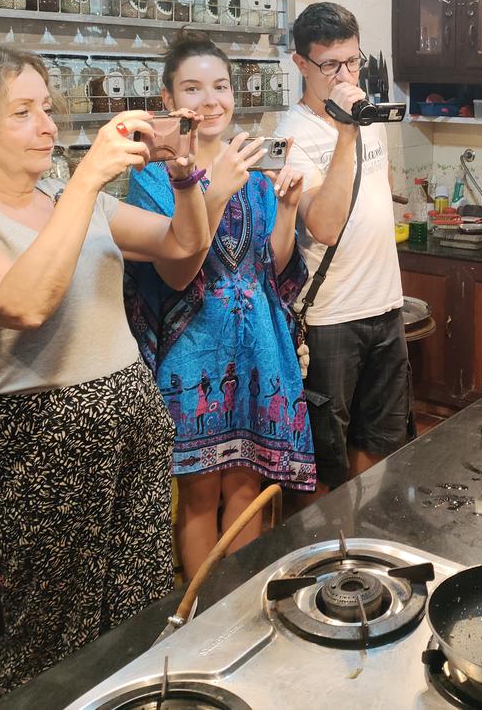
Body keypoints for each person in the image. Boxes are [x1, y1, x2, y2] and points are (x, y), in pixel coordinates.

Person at [0, 43, 212, 694]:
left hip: (132, 419)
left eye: (47, 108)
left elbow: (183, 249)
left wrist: (188, 179)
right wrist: (83, 183)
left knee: (144, 599)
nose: (47, 125)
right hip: (42, 440)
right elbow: (21, 302)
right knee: (55, 624)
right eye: (21, 112)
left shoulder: (72, 201)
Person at [123, 35, 315, 577]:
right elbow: (177, 268)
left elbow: (274, 269)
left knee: (248, 485)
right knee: (200, 496)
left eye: (221, 86)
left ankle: (239, 609)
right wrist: (215, 189)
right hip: (192, 356)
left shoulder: (253, 165)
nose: (210, 101)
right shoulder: (152, 178)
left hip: (259, 349)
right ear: (167, 100)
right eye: (192, 88)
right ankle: (201, 615)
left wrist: (286, 209)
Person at [274, 2, 411, 492]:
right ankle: (331, 553)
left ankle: (369, 540)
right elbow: (325, 227)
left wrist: (357, 123)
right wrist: (346, 134)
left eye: (351, 62)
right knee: (327, 462)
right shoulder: (290, 136)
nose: (343, 75)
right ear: (301, 64)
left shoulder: (367, 115)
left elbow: (382, 185)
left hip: (385, 304)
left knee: (382, 443)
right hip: (329, 318)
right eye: (329, 65)